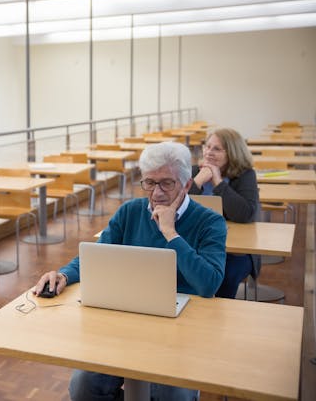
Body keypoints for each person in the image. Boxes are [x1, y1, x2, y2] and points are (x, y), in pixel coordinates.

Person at [33, 141, 226, 401]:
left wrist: (171, 233)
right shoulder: (130, 212)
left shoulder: (210, 222)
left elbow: (209, 284)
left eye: (166, 183)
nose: (156, 192)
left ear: (187, 184)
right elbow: (98, 256)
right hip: (125, 322)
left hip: (181, 333)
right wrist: (65, 274)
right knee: (83, 385)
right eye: (149, 182)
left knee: (173, 395)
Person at [188, 127, 260, 298]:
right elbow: (177, 206)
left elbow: (245, 214)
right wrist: (197, 181)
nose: (209, 152)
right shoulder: (193, 172)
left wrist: (218, 182)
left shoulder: (245, 175)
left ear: (233, 153)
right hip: (197, 244)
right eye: (207, 146)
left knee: (224, 276)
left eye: (217, 149)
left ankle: (219, 319)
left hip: (235, 251)